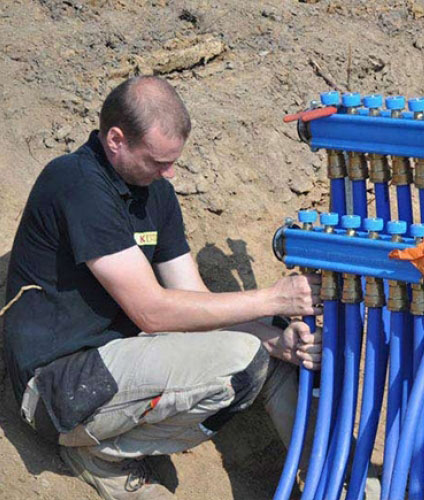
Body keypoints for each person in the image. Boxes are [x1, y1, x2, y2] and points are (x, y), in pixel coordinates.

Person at [2, 75, 322, 499]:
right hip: (59, 389)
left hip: (121, 371)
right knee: (243, 357)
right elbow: (152, 312)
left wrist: (277, 337)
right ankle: (104, 454)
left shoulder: (155, 194)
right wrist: (273, 296)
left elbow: (196, 303)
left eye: (173, 160)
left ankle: (331, 482)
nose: (169, 172)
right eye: (157, 160)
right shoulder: (76, 183)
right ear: (116, 139)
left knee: (271, 350)